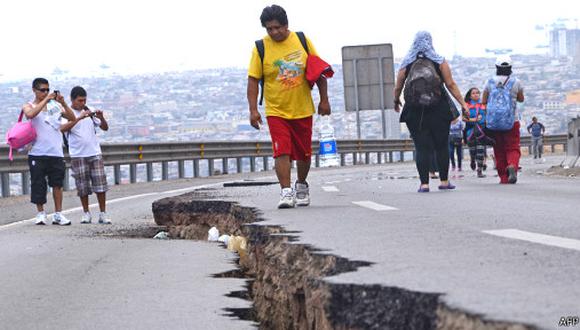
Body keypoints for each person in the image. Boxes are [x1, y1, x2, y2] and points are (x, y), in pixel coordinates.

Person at [247, 5, 331, 208]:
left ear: (286, 25)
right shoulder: (261, 47)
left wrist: (324, 99)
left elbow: (318, 70)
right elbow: (253, 80)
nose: (274, 32)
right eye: (269, 29)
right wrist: (253, 110)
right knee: (281, 150)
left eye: (277, 27)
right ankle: (285, 191)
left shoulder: (301, 40)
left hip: (302, 108)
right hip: (276, 110)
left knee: (304, 153)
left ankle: (301, 184)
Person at [394, 31, 469, 192]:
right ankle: (444, 181)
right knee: (441, 145)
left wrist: (396, 100)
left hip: (415, 110)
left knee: (421, 147)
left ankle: (424, 184)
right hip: (438, 108)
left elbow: (398, 85)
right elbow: (451, 84)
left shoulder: (407, 62)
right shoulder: (439, 61)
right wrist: (463, 103)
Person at [22, 78, 75, 225]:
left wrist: (63, 102)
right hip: (37, 152)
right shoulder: (29, 105)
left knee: (57, 184)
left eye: (47, 90)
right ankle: (40, 213)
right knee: (38, 184)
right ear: (34, 90)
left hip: (55, 152)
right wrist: (45, 100)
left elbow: (72, 118)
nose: (45, 92)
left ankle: (58, 214)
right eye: (42, 90)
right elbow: (30, 114)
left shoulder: (55, 107)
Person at [61, 86, 111, 224]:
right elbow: (62, 129)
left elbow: (104, 127)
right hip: (78, 154)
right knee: (82, 186)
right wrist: (79, 118)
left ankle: (103, 213)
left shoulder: (88, 110)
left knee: (100, 184)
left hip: (94, 152)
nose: (82, 103)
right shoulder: (66, 113)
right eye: (79, 100)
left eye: (84, 100)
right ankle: (86, 213)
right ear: (72, 100)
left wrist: (100, 117)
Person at [482, 55, 525, 184]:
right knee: (513, 147)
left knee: (498, 149)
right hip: (512, 120)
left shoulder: (489, 82)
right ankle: (512, 165)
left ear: (496, 67)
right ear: (510, 67)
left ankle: (503, 177)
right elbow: (521, 99)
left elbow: (484, 101)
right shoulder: (516, 82)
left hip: (494, 122)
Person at [464, 87, 488, 178]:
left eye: (477, 93)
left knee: (481, 150)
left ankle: (479, 170)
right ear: (470, 95)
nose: (476, 94)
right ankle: (472, 160)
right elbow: (464, 118)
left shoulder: (483, 105)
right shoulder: (466, 105)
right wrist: (474, 119)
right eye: (473, 93)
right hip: (470, 131)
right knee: (473, 151)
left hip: (481, 131)